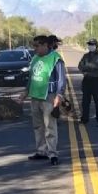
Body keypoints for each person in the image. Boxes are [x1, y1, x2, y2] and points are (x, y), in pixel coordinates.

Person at [19, 35, 66, 166]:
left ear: (45, 45)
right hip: (35, 96)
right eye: (34, 46)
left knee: (50, 126)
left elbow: (62, 79)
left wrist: (59, 95)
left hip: (48, 96)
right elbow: (31, 77)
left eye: (37, 46)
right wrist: (25, 92)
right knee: (38, 126)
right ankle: (41, 151)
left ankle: (52, 154)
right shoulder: (34, 59)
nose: (35, 49)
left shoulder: (55, 58)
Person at [78, 38, 98, 126]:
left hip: (96, 81)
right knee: (85, 101)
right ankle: (84, 119)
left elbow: (97, 65)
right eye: (89, 44)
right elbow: (79, 66)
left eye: (91, 44)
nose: (90, 46)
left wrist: (86, 66)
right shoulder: (85, 55)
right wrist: (88, 67)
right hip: (86, 80)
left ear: (96, 46)